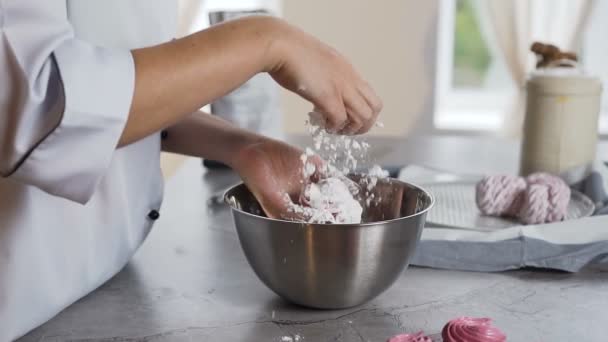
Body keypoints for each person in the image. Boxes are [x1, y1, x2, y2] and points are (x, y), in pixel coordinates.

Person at [0, 0, 382, 339]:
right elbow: (38, 108)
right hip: (18, 298)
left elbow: (116, 85)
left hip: (107, 279)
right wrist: (266, 40)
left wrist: (244, 146)